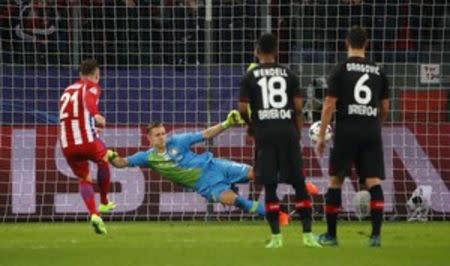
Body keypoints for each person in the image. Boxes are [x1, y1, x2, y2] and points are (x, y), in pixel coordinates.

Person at [238, 33, 322, 248]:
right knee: (299, 184)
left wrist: (252, 125)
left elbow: (242, 109)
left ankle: (276, 238)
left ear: (257, 52)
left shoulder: (250, 76)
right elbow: (297, 108)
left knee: (270, 185)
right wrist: (296, 132)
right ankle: (308, 236)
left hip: (265, 134)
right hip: (287, 132)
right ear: (276, 52)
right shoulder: (289, 74)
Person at [106, 112, 267, 217]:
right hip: (207, 186)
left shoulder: (178, 141)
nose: (162, 137)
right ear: (149, 138)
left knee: (258, 173)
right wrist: (111, 156)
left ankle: (291, 179)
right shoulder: (147, 157)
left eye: (163, 133)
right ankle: (278, 215)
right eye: (157, 135)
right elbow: (121, 163)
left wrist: (226, 124)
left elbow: (205, 134)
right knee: (238, 201)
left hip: (215, 166)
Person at [315, 26, 390, 247]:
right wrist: (376, 126)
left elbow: (329, 105)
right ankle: (375, 236)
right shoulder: (378, 71)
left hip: (347, 130)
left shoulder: (340, 69)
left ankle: (331, 236)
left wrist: (321, 136)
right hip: (370, 130)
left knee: (336, 180)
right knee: (373, 181)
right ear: (366, 44)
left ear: (346, 43)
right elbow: (384, 107)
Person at [58, 59, 115, 235]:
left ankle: (94, 215)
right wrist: (96, 114)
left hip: (67, 145)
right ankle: (104, 202)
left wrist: (93, 125)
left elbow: (73, 117)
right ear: (96, 75)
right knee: (104, 158)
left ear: (79, 74)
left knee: (84, 178)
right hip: (86, 140)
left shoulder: (67, 91)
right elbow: (89, 100)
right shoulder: (91, 86)